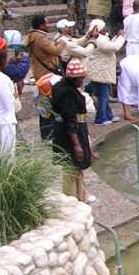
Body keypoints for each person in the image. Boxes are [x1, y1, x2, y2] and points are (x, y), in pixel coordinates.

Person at [51, 59, 93, 202]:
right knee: (70, 167)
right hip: (70, 134)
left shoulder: (60, 86)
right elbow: (69, 119)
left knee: (76, 167)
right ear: (75, 78)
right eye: (81, 78)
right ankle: (71, 199)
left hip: (67, 131)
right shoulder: (67, 93)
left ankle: (81, 195)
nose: (83, 81)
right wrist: (77, 145)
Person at [84, 19, 125, 125]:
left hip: (100, 71)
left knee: (104, 94)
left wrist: (116, 37)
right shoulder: (99, 39)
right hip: (100, 72)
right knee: (103, 96)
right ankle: (101, 118)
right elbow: (114, 47)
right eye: (103, 27)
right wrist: (121, 37)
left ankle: (108, 115)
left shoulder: (100, 38)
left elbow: (109, 44)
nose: (105, 29)